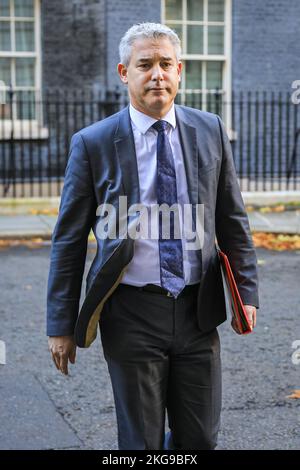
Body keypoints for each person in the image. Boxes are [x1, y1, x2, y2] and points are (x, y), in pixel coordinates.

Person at [47, 22, 259, 450]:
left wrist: (247, 294)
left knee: (199, 438)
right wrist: (60, 324)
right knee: (140, 442)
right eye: (145, 64)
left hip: (199, 307)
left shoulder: (210, 129)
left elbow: (233, 219)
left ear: (180, 70)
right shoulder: (93, 143)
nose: (157, 74)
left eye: (166, 64)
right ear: (124, 72)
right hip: (130, 312)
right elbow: (68, 240)